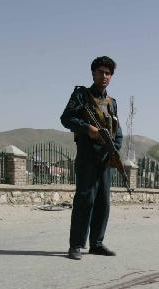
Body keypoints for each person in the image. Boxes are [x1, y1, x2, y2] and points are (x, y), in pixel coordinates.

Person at [60, 56, 124, 260]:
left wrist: (115, 149)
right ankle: (76, 245)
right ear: (93, 73)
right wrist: (89, 129)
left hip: (105, 157)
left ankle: (97, 243)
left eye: (108, 73)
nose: (104, 76)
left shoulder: (112, 103)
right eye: (101, 72)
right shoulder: (81, 95)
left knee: (103, 201)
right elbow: (66, 118)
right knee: (85, 199)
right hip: (87, 155)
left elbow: (118, 131)